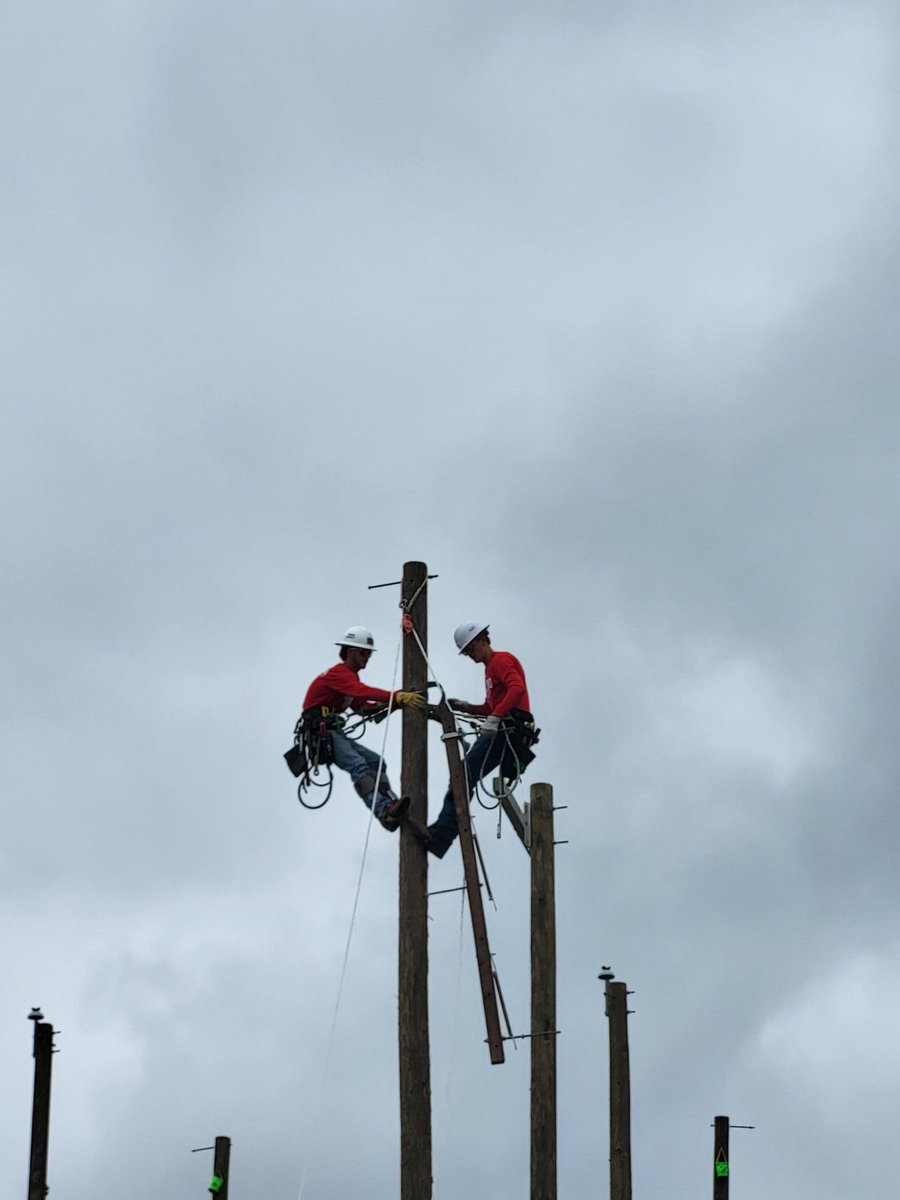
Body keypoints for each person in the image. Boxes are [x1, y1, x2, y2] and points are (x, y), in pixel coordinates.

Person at [427, 622, 537, 857]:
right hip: (504, 728)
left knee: (463, 773)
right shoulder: (489, 669)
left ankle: (443, 834)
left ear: (482, 640)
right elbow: (491, 706)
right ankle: (443, 834)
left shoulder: (501, 660)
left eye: (470, 649)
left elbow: (516, 689)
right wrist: (467, 707)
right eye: (465, 652)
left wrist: (496, 717)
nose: (469, 655)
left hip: (508, 729)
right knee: (467, 774)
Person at [301, 626, 424, 829]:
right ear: (351, 653)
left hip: (333, 731)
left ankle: (390, 803)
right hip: (321, 731)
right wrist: (396, 696)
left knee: (376, 762)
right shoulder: (339, 674)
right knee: (358, 765)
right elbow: (362, 691)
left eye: (369, 654)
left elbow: (363, 708)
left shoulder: (349, 678)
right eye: (364, 653)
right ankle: (383, 811)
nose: (367, 658)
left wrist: (393, 704)